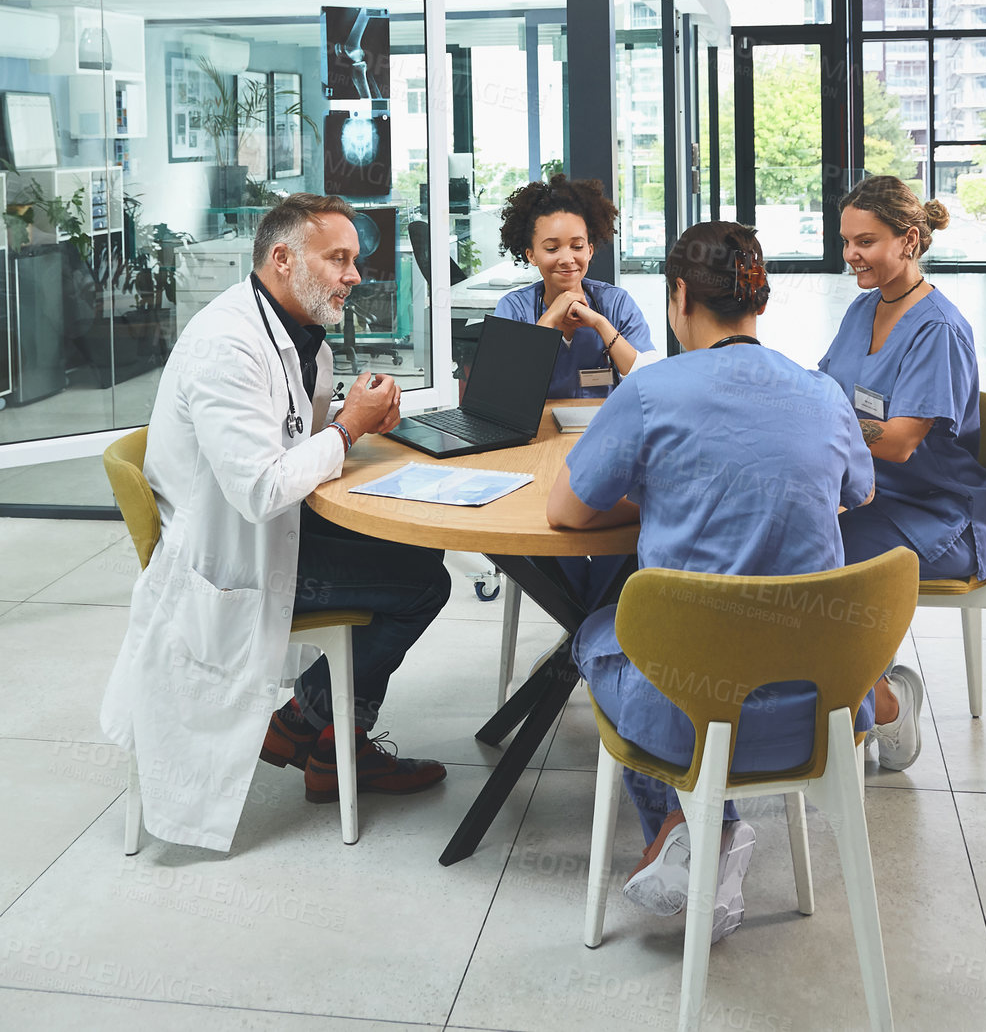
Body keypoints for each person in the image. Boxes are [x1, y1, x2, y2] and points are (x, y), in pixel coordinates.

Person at [546, 222, 874, 943]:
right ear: (758, 300)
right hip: (820, 710)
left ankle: (690, 829)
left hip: (692, 718)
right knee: (689, 626)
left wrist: (665, 491)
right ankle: (699, 835)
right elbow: (857, 492)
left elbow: (567, 514)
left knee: (600, 632)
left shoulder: (653, 389)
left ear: (679, 296)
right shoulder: (822, 394)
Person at [101, 192, 450, 852]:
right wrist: (348, 426)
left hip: (270, 531)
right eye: (338, 259)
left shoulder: (296, 333)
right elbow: (262, 488)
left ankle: (312, 728)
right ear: (284, 259)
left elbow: (293, 439)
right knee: (422, 586)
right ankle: (313, 727)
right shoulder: (226, 347)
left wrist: (357, 421)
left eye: (354, 260)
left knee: (415, 555)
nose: (355, 275)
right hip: (232, 558)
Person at [819, 175, 986, 774]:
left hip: (939, 516)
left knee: (820, 564)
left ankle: (885, 707)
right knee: (785, 539)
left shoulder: (938, 330)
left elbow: (897, 442)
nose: (851, 256)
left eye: (865, 241)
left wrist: (828, 422)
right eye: (846, 241)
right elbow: (825, 389)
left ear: (910, 240)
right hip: (872, 496)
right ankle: (848, 695)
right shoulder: (865, 307)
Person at [494, 173, 656, 398]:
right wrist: (550, 318)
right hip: (538, 431)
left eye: (577, 246)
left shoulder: (616, 303)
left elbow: (649, 381)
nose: (567, 258)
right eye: (552, 249)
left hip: (606, 428)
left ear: (589, 250)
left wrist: (600, 324)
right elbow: (502, 387)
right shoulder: (515, 308)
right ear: (531, 255)